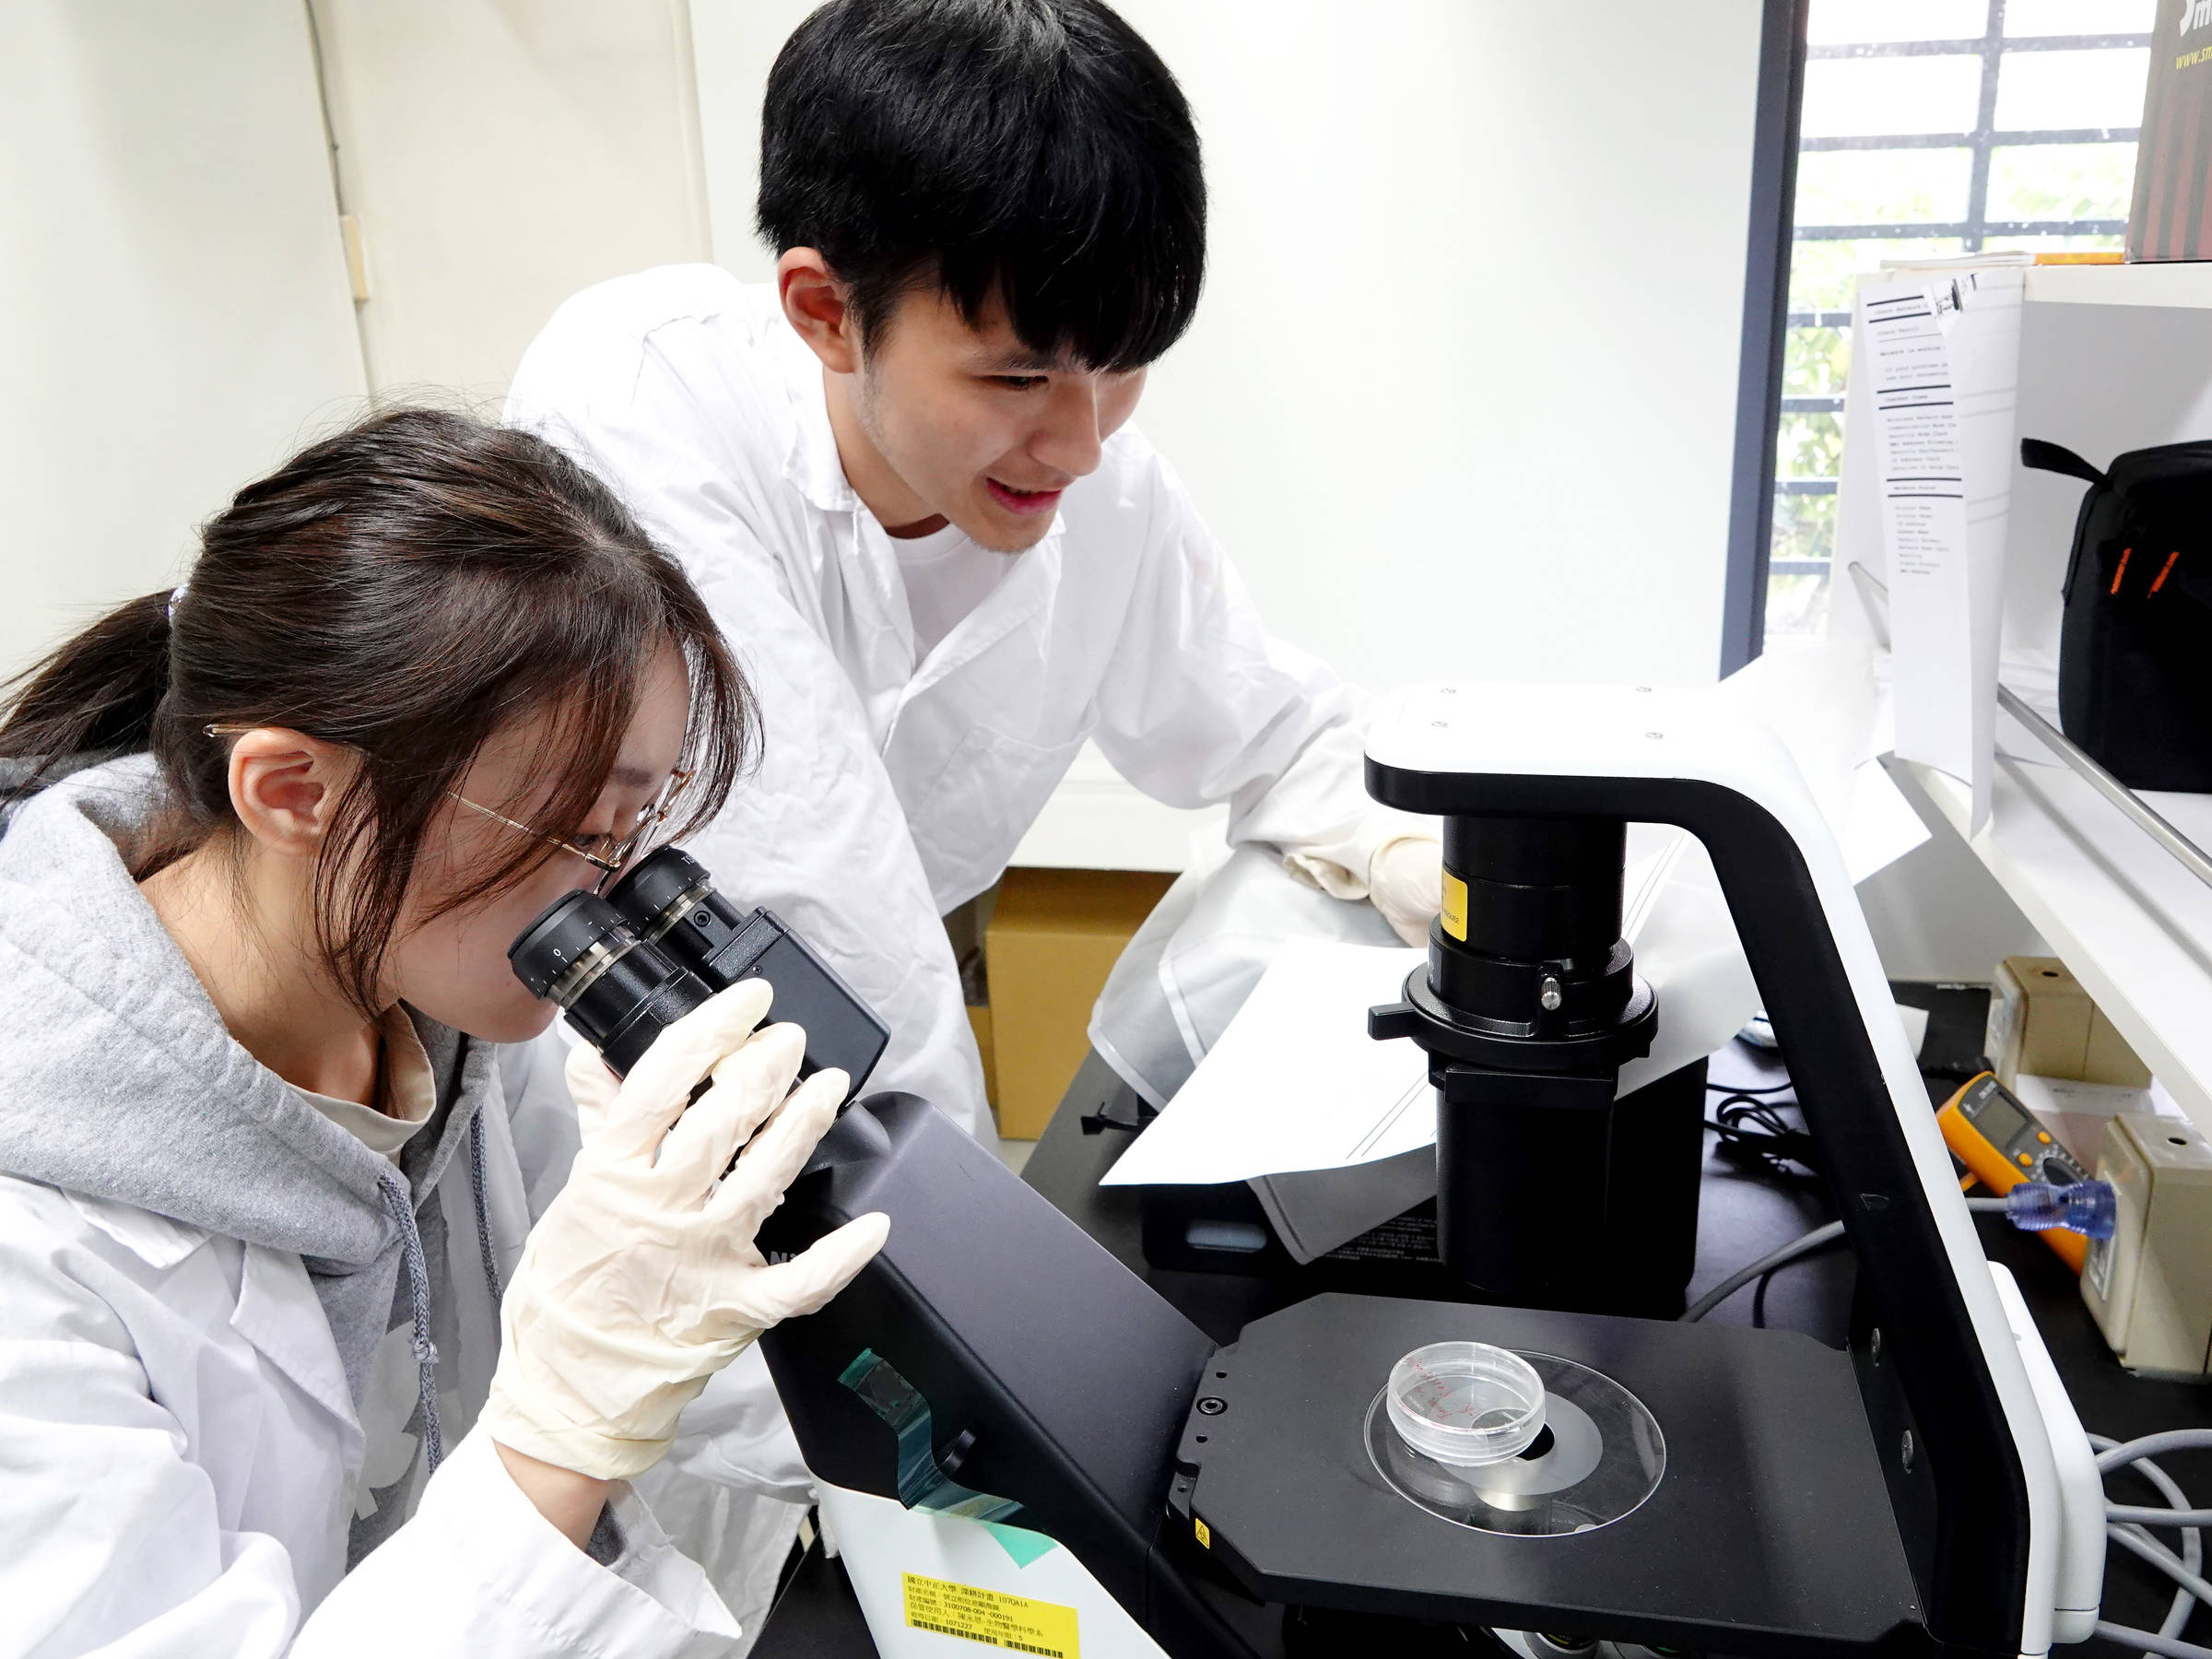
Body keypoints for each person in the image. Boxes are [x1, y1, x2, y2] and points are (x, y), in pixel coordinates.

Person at [0, 408, 886, 1656]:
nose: (609, 895)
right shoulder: (31, 1246)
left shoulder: (439, 1007)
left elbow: (684, 1352)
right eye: (576, 831)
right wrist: (555, 1438)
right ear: (294, 793)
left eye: (631, 829)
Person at [504, 0, 1444, 1153]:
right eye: (1017, 380)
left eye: (1123, 367)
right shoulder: (644, 396)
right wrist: (958, 1216)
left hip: (861, 1069)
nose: (1080, 445)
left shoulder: (1110, 496)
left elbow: (1277, 732)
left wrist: (1420, 858)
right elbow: (807, 876)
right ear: (826, 313)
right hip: (615, 1089)